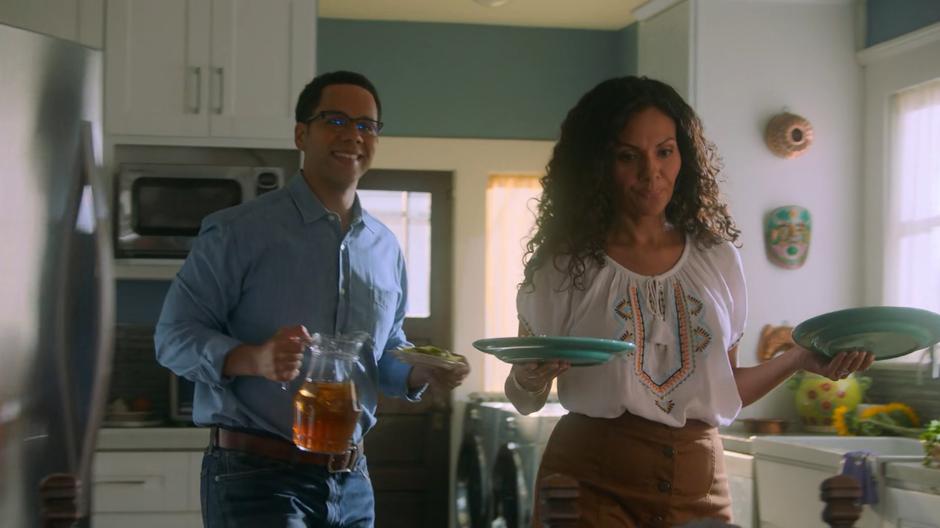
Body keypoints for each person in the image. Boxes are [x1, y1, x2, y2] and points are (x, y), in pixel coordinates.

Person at [504, 76, 874, 528]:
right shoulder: (564, 267)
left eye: (664, 151)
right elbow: (523, 395)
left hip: (698, 484)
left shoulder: (717, 260)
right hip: (589, 483)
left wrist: (797, 358)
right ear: (596, 164)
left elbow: (726, 385)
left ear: (685, 155)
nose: (651, 173)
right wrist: (529, 375)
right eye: (627, 157)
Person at [155, 70, 469, 528]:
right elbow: (171, 339)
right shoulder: (238, 232)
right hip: (256, 476)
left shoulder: (385, 247)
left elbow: (380, 354)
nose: (353, 136)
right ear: (302, 133)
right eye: (336, 120)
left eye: (367, 125)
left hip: (353, 481)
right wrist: (254, 358)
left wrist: (422, 370)